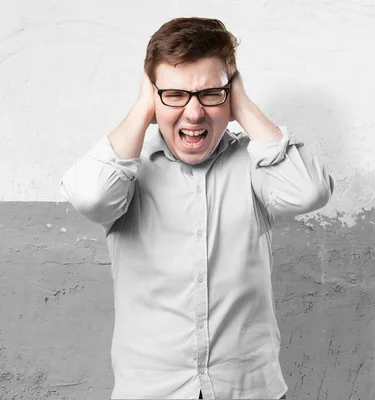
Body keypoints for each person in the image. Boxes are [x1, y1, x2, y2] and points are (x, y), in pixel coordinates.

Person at [59, 17, 333, 400]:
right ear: (153, 94)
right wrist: (143, 106)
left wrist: (243, 102)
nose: (193, 113)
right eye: (174, 94)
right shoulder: (127, 172)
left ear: (230, 93)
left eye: (209, 94)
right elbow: (89, 196)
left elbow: (310, 192)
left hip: (250, 390)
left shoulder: (255, 165)